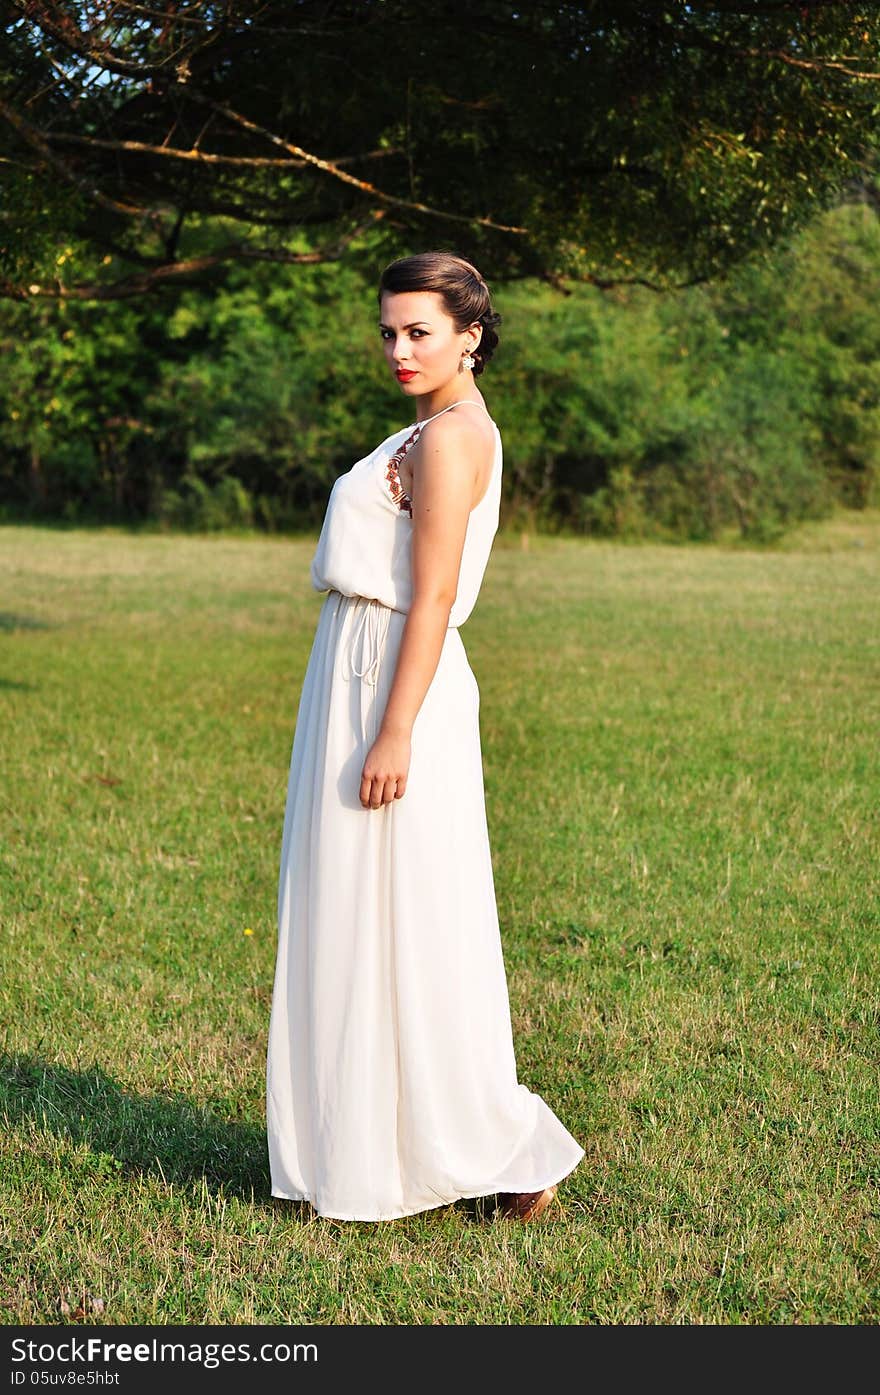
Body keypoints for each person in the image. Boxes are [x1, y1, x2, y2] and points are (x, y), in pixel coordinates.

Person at [266, 250, 584, 1223]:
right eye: (390, 332)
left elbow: (435, 595)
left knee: (403, 912)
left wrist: (393, 729)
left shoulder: (451, 439)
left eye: (421, 332)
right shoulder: (434, 425)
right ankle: (390, 1146)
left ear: (470, 337)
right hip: (361, 666)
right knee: (368, 911)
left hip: (392, 682)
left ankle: (490, 1149)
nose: (400, 349)